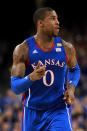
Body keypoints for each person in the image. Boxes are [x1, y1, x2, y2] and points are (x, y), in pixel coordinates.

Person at [11, 7, 80, 131]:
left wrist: (71, 87)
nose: (58, 22)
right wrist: (30, 78)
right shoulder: (23, 49)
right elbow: (15, 88)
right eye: (53, 19)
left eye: (57, 19)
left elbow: (75, 70)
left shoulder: (66, 47)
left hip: (58, 109)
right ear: (40, 23)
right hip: (32, 112)